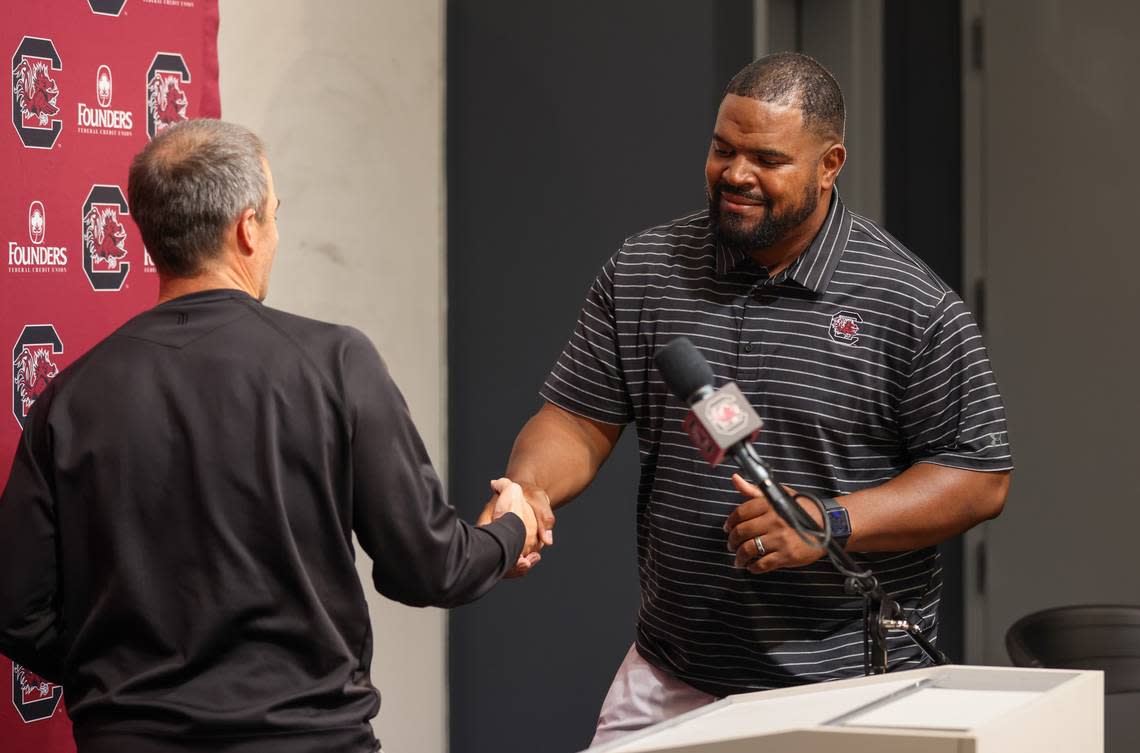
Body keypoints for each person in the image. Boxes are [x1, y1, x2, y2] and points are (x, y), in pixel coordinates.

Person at [479, 52, 1013, 745]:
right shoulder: (645, 270)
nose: (735, 174)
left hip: (842, 688)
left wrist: (829, 521)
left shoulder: (908, 303)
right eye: (722, 148)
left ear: (830, 164)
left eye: (765, 158)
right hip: (674, 674)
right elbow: (577, 420)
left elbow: (978, 477)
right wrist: (527, 488)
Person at [0, 119, 538, 753]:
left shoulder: (70, 397)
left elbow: (16, 608)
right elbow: (429, 567)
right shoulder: (336, 364)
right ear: (247, 228)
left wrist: (124, 686)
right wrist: (511, 530)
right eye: (275, 214)